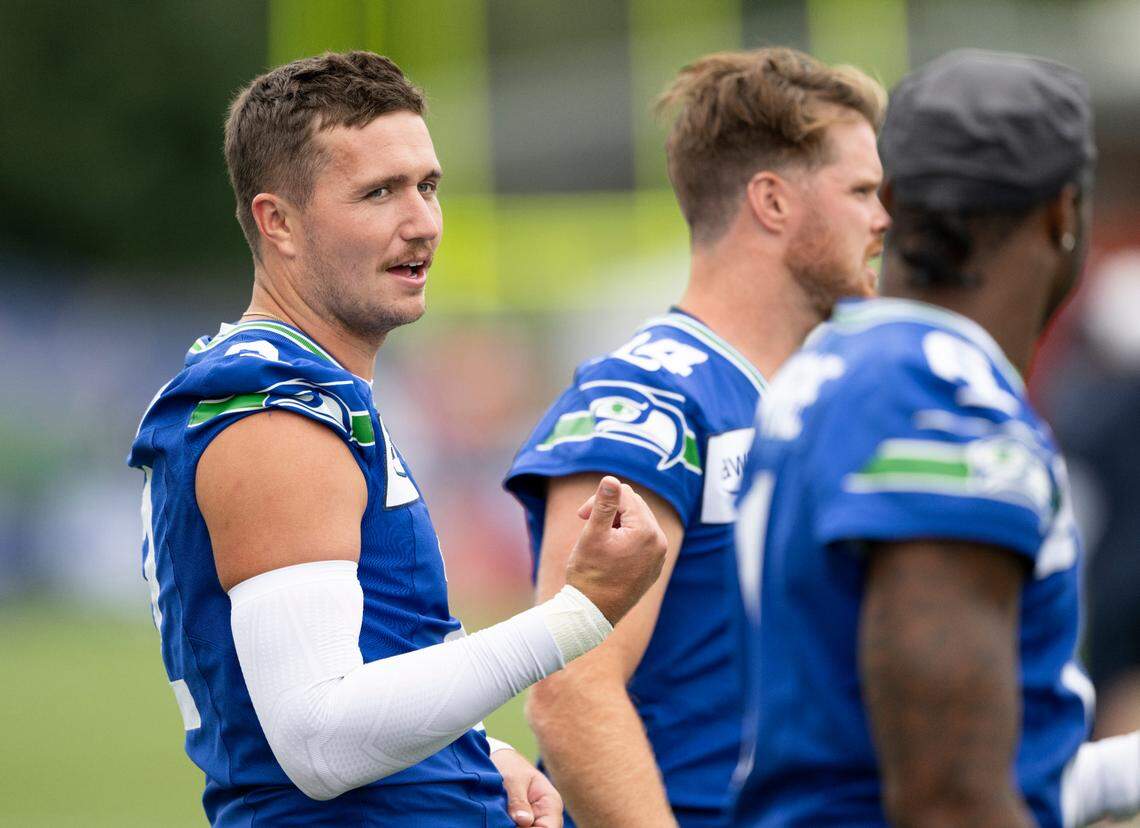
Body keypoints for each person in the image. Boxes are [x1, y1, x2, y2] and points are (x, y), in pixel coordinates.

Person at [127, 51, 667, 827]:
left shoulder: (308, 389)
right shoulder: (274, 412)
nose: (421, 223)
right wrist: (581, 612)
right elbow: (317, 741)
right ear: (277, 220)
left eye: (428, 185)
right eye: (379, 192)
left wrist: (474, 750)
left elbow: (375, 653)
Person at [732, 49, 1140, 827]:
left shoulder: (839, 367)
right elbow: (948, 799)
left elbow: (932, 756)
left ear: (890, 202)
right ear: (1063, 213)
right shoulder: (942, 406)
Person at [503, 48, 888, 827]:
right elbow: (572, 691)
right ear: (772, 202)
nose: (885, 218)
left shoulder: (806, 397)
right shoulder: (652, 401)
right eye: (862, 191)